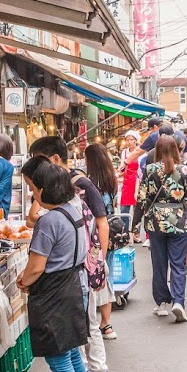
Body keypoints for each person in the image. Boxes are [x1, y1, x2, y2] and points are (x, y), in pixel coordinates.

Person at [28, 135, 114, 372]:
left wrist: (98, 260)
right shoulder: (61, 189)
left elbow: (102, 223)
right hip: (77, 265)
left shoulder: (80, 185)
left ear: (54, 160)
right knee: (75, 331)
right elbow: (34, 216)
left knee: (87, 323)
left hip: (83, 266)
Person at [17, 158, 91, 372]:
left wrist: (24, 281)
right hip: (71, 284)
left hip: (52, 293)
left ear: (45, 190)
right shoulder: (72, 212)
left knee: (60, 360)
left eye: (35, 189)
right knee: (71, 353)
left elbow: (36, 266)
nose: (33, 194)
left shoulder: (48, 221)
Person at [137, 135, 187, 323]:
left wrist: (136, 223)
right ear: (176, 150)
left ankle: (162, 302)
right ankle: (178, 302)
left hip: (155, 223)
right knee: (179, 264)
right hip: (178, 221)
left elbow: (142, 198)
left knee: (159, 263)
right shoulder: (184, 169)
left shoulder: (149, 169)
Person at [84, 143, 120, 340]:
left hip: (94, 236)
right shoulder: (111, 180)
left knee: (93, 277)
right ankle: (106, 324)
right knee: (107, 276)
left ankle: (96, 322)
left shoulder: (90, 185)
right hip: (110, 233)